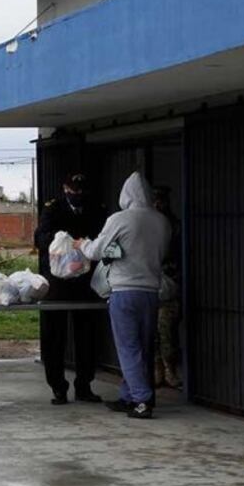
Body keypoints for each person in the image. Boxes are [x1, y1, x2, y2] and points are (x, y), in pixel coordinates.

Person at [79, 171, 171, 419]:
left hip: (124, 292)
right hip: (151, 292)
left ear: (125, 195)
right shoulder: (161, 221)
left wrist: (82, 245)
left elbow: (97, 251)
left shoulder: (120, 219)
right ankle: (129, 395)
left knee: (128, 348)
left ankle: (141, 400)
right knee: (144, 345)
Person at [34, 173, 108, 405]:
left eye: (81, 192)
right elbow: (41, 238)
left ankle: (84, 385)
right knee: (54, 336)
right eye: (73, 191)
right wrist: (62, 244)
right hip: (57, 283)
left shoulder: (96, 208)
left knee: (87, 337)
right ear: (65, 188)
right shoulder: (53, 209)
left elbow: (102, 240)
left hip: (86, 282)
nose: (77, 196)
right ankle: (58, 387)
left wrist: (82, 247)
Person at [153, 185, 182, 389]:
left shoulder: (173, 225)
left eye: (161, 200)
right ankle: (158, 370)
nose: (158, 205)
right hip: (149, 283)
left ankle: (169, 369)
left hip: (169, 285)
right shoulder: (146, 224)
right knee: (151, 332)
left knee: (167, 331)